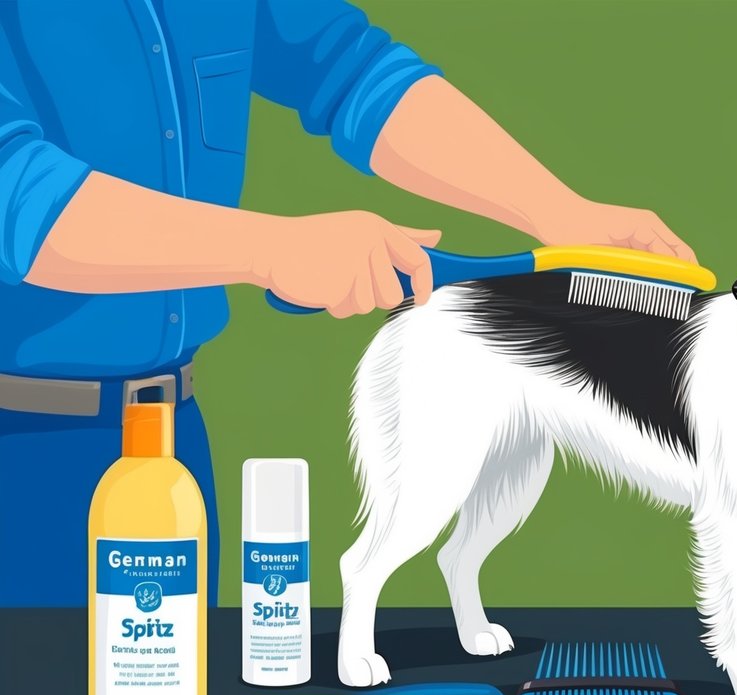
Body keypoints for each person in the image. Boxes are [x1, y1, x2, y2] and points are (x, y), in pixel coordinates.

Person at [0, 1, 695, 606]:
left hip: (171, 439)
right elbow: (18, 193)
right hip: (21, 452)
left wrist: (558, 212)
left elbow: (351, 70)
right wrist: (274, 250)